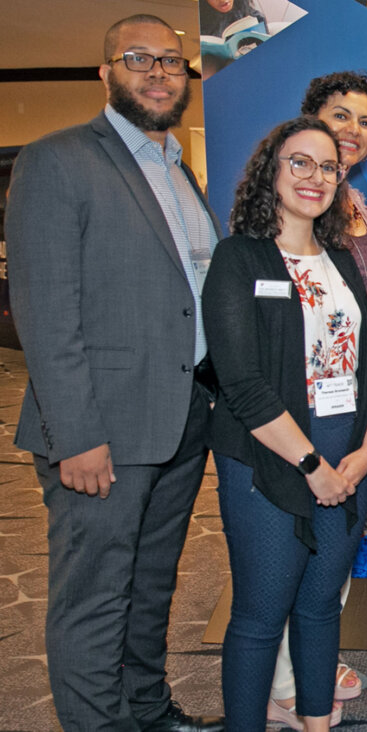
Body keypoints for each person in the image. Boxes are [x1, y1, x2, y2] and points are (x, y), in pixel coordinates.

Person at [5, 15, 224, 732]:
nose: (159, 73)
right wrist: (76, 435)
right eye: (139, 59)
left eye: (172, 61)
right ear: (105, 73)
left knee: (152, 584)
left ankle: (147, 709)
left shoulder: (176, 169)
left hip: (182, 417)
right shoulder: (58, 160)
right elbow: (44, 312)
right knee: (95, 598)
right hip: (101, 429)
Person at [203, 116, 367, 732]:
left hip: (346, 462)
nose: (315, 177)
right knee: (259, 613)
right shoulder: (239, 258)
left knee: (320, 608)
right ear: (270, 172)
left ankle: (315, 723)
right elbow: (242, 383)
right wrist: (311, 466)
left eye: (329, 166)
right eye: (299, 163)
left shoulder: (342, 260)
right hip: (270, 462)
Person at [260, 71, 367, 730]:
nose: (353, 130)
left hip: (350, 400)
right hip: (297, 409)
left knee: (331, 550)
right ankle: (282, 682)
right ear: (310, 117)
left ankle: (312, 660)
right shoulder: (293, 199)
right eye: (341, 115)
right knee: (288, 552)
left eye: (365, 121)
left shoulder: (355, 203)